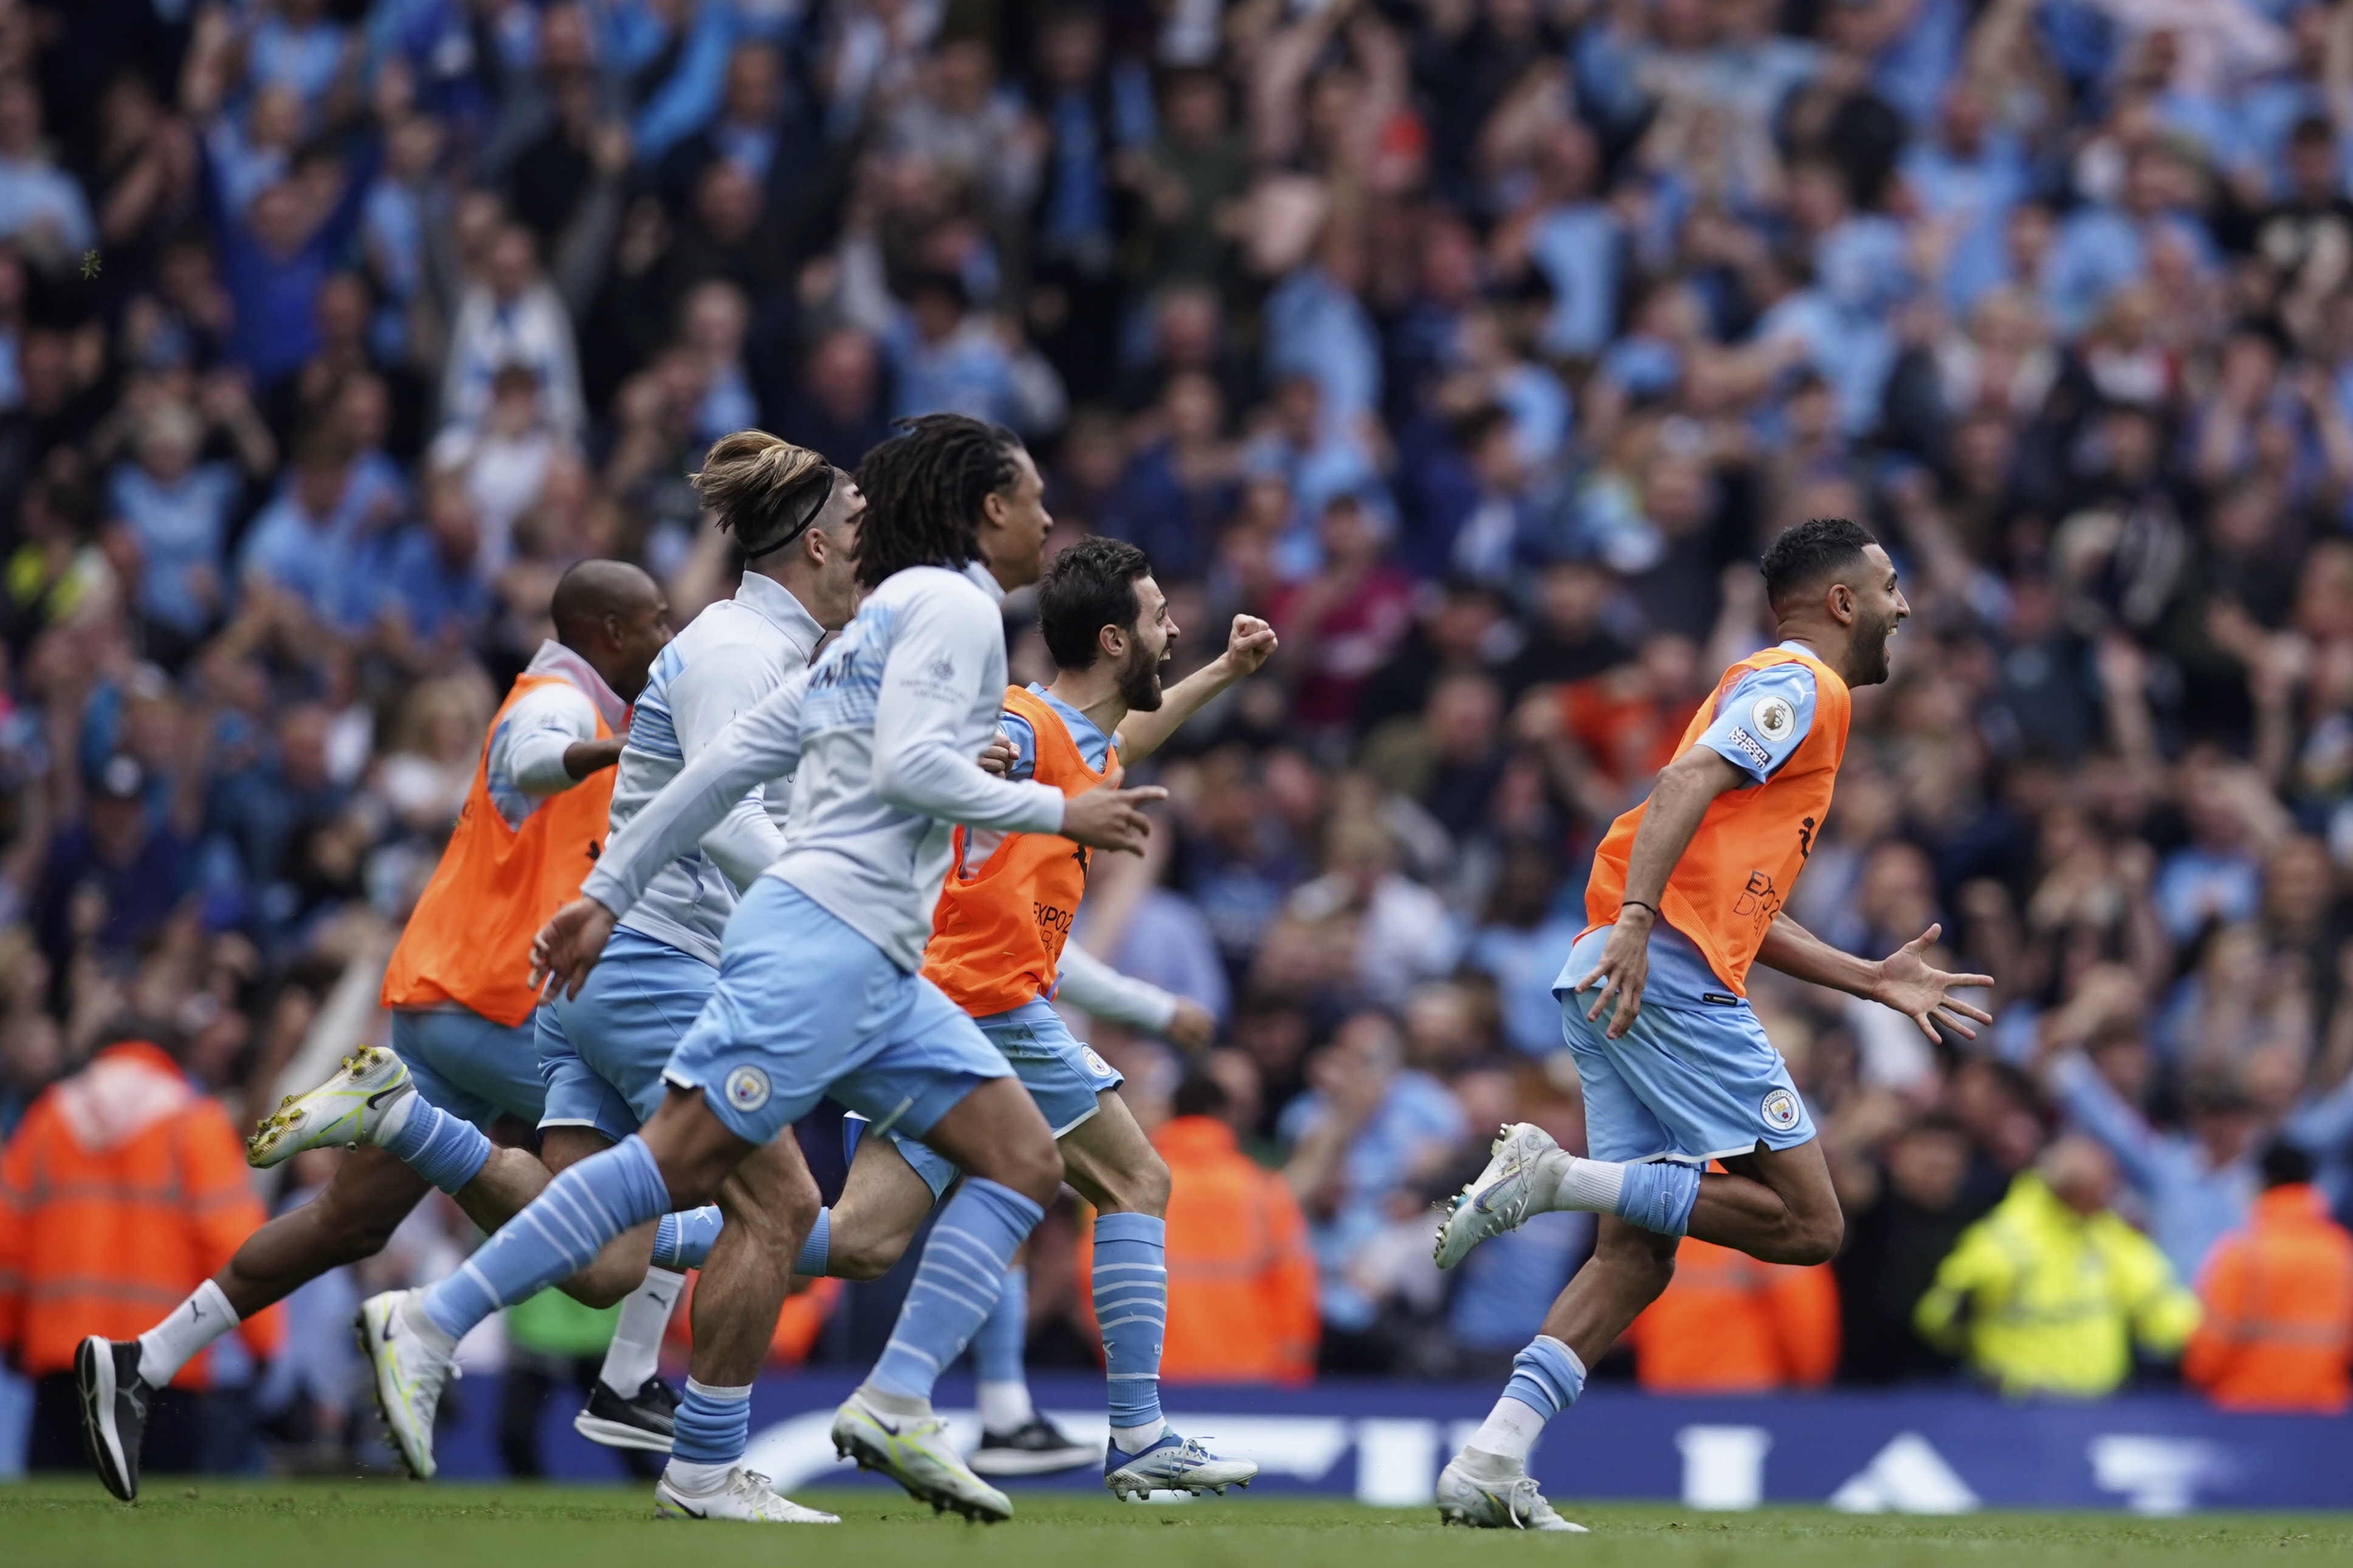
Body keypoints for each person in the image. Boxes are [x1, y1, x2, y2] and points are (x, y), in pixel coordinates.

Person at [359, 413, 1163, 1524]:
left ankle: (888, 1402)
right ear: (987, 509)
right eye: (1034, 498)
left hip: (875, 958)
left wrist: (604, 894)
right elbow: (909, 764)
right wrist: (1054, 805)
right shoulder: (959, 607)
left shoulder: (882, 616)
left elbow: (731, 762)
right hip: (819, 938)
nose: (1048, 521)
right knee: (699, 1175)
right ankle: (437, 1321)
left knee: (1022, 1162)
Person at [1427, 517, 1992, 1531]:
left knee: (1636, 1257)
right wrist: (1641, 925)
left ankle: (1490, 1459)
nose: (1906, 606)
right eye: (1892, 586)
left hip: (1623, 968)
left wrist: (1867, 977)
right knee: (1812, 1224)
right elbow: (1683, 783)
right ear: (1842, 602)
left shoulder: (1780, 690)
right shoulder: (1802, 686)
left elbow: (1737, 900)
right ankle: (1552, 1177)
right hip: (1659, 975)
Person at [72, 560, 675, 1502]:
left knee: (345, 1223)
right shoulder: (556, 699)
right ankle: (624, 1380)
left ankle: (140, 1360)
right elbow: (529, 757)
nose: (666, 641)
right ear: (606, 630)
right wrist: (615, 756)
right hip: (495, 1004)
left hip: (441, 1002)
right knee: (650, 1190)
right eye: (654, 624)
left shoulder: (589, 698)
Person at [776, 535, 1270, 1496]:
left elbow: (1129, 740)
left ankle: (629, 1236)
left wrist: (1225, 670)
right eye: (1162, 616)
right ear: (1116, 641)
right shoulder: (1018, 723)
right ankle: (1135, 1435)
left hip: (935, 1007)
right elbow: (961, 749)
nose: (1176, 629)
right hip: (987, 1003)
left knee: (859, 1240)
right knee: (1135, 1180)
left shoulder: (1081, 741)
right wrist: (969, 752)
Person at [528, 431, 864, 1466]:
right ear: (811, 547)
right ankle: (712, 1463)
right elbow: (719, 818)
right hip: (657, 965)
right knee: (786, 1205)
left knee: (599, 1260)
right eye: (860, 530)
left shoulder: (770, 652)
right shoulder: (736, 651)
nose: (873, 548)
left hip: (630, 965)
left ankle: (413, 1137)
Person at [1, 1020, 280, 1488]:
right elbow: (235, 1244)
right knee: (159, 1527)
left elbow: (9, 1244)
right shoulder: (192, 1122)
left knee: (53, 1527)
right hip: (164, 1363)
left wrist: (9, 1333)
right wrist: (263, 1341)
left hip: (63, 1357)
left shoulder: (48, 1119)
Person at [1915, 1133, 2200, 1397]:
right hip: (2018, 1408)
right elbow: (1938, 1318)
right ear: (2067, 1191)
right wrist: (1960, 1311)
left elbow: (2161, 1308)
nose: (2108, 1199)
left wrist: (2208, 1338)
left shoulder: (2108, 1235)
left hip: (2099, 1406)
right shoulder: (2004, 1239)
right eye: (2099, 1190)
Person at [2182, 1141, 2353, 1412]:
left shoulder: (2242, 1253)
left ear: (2264, 1181)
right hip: (2324, 1409)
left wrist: (2199, 1380)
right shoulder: (2342, 1252)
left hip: (2245, 1408)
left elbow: (2210, 1348)